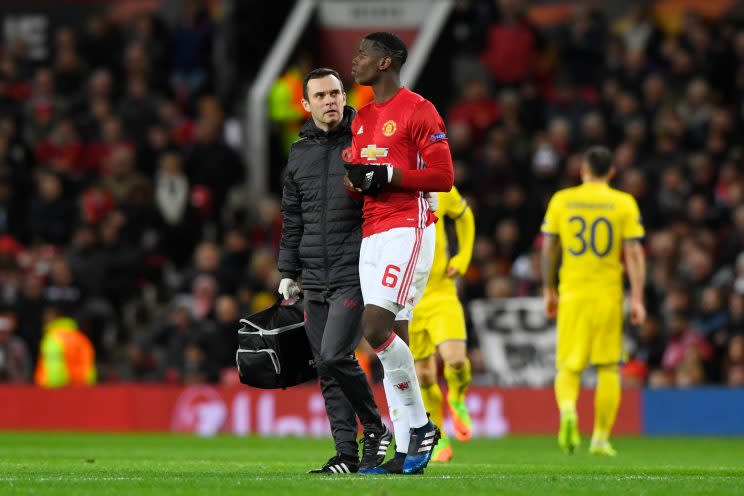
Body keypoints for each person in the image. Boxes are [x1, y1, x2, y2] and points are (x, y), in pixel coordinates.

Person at [345, 32, 454, 475]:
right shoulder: (362, 117)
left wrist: (388, 174)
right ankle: (410, 444)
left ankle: (422, 424)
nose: (355, 61)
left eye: (364, 54)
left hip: (407, 227)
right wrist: (358, 182)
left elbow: (444, 176)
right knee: (395, 340)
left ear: (386, 62)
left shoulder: (419, 109)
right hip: (371, 231)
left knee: (375, 328)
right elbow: (357, 178)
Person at [277, 67, 391, 475]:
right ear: (306, 105)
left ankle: (376, 429)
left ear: (345, 97)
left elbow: (388, 197)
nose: (330, 101)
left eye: (336, 93)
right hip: (313, 275)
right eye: (321, 96)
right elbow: (293, 218)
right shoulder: (298, 153)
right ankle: (345, 454)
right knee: (326, 367)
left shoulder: (367, 140)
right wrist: (287, 270)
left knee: (334, 355)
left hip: (355, 268)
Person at [541, 146, 646, 456]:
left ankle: (569, 411)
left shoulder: (562, 200)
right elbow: (635, 253)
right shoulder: (623, 203)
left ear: (583, 170)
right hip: (608, 295)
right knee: (609, 368)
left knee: (569, 367)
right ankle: (600, 438)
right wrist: (637, 298)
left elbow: (549, 247)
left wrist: (549, 289)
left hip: (573, 293)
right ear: (611, 173)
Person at [410, 186, 475, 462]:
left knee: (455, 359)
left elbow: (465, 216)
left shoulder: (441, 188)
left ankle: (457, 397)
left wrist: (463, 257)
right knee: (423, 375)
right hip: (409, 296)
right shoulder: (391, 190)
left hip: (441, 292)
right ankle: (437, 435)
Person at [34, 307, 97, 388]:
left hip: (58, 390)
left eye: (47, 318)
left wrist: (51, 392)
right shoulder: (81, 338)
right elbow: (89, 367)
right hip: (82, 389)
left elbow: (54, 369)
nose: (44, 321)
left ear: (55, 318)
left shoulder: (53, 339)